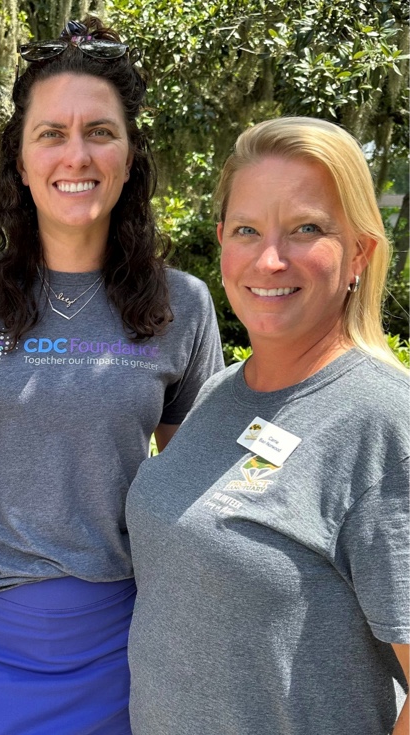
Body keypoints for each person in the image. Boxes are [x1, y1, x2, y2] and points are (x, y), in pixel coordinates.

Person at [0, 16, 224, 735]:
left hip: (123, 636)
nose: (76, 154)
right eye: (50, 134)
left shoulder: (180, 305)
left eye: (99, 131)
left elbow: (192, 488)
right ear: (21, 161)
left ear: (128, 156)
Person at [127, 117, 409, 735]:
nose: (270, 258)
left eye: (306, 229)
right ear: (223, 239)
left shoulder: (384, 422)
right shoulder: (220, 392)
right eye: (248, 230)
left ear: (359, 253)